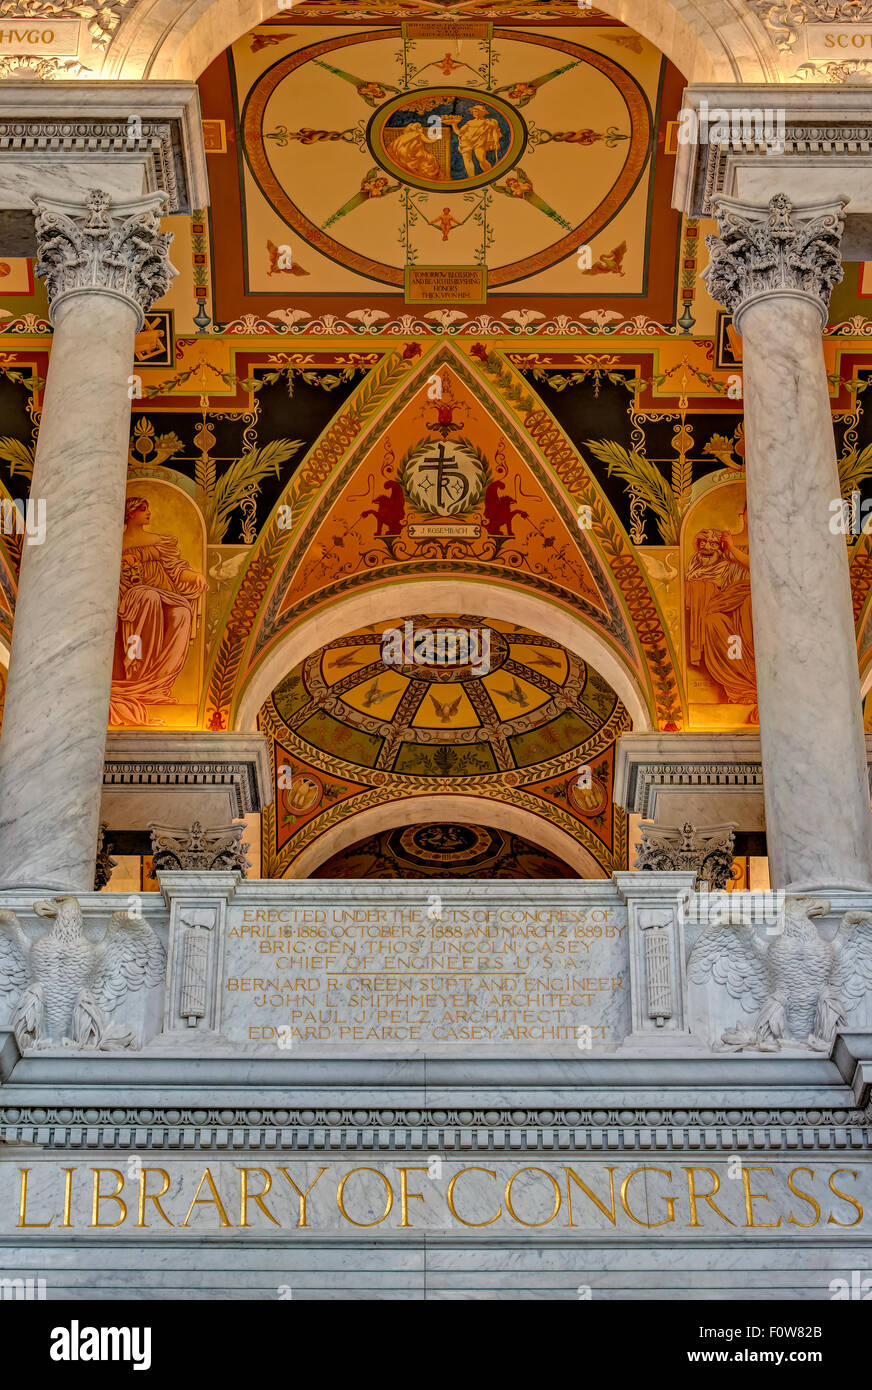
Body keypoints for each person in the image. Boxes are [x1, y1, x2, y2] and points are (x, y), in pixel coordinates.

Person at [109, 496, 208, 726]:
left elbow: (176, 571)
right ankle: (136, 668)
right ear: (131, 514)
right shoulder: (114, 543)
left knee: (182, 613)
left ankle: (157, 681)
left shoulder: (161, 542)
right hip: (129, 597)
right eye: (143, 510)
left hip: (163, 595)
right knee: (147, 596)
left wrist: (196, 576)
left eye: (148, 509)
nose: (149, 513)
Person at [685, 508, 757, 719]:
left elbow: (759, 567)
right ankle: (739, 682)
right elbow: (706, 564)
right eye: (748, 511)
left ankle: (754, 678)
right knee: (712, 621)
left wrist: (732, 548)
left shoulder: (768, 542)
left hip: (750, 595)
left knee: (749, 605)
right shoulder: (727, 542)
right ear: (742, 515)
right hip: (727, 598)